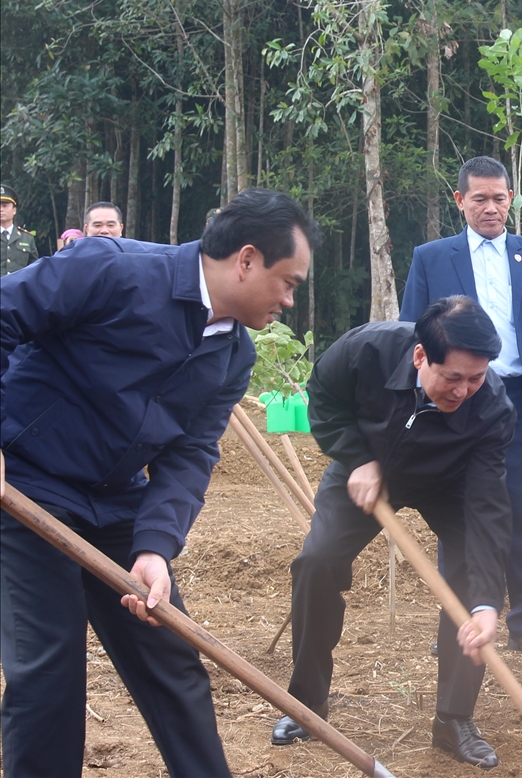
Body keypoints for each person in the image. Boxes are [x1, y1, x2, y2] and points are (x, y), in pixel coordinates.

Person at [1, 187, 317, 777]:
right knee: (48, 670)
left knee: (170, 653)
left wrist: (155, 547)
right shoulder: (111, 270)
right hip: (26, 483)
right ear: (246, 260)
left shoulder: (233, 356)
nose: (290, 300)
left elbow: (190, 453)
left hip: (117, 498)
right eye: (289, 282)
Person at [270, 298, 514, 769]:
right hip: (365, 464)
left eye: (477, 377)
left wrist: (486, 602)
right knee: (317, 562)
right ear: (421, 356)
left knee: (468, 580)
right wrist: (355, 456)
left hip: (451, 481)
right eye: (453, 377)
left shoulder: (493, 410)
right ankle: (307, 704)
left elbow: (487, 508)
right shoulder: (366, 349)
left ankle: (454, 719)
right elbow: (322, 395)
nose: (465, 391)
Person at [400, 155, 522, 662]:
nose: (491, 208)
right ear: (459, 200)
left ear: (512, 199)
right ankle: (462, 616)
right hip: (455, 401)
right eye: (479, 198)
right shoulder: (431, 257)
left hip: (519, 398)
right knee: (456, 512)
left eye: (500, 198)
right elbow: (410, 331)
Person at [0, 184, 39, 275]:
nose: (1, 209)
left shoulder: (27, 238)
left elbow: (34, 268)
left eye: (5, 206)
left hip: (18, 288)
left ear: (14, 210)